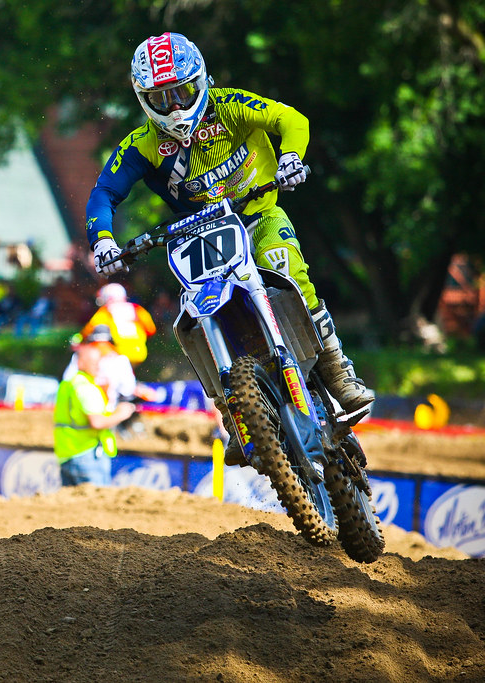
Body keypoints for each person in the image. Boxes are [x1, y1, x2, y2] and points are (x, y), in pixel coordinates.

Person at [86, 32, 375, 464]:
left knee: (287, 269)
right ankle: (233, 414)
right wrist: (104, 240)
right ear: (144, 100)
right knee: (191, 317)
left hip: (259, 214)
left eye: (183, 92)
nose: (176, 107)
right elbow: (104, 193)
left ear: (202, 81)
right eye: (162, 99)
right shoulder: (142, 144)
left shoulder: (231, 105)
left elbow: (290, 119)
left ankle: (337, 373)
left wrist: (290, 157)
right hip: (200, 236)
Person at [54, 343, 136, 486]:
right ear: (80, 363)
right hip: (87, 456)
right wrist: (122, 414)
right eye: (94, 362)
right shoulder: (85, 387)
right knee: (97, 499)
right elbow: (97, 422)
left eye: (99, 362)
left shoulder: (67, 384)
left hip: (67, 454)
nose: (98, 366)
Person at [81, 283, 156, 366]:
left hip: (118, 353)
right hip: (139, 352)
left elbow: (89, 330)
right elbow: (151, 329)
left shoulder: (106, 311)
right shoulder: (137, 309)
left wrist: (80, 339)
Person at [62, 325, 137, 405]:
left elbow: (128, 389)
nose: (101, 347)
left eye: (104, 344)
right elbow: (67, 379)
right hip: (84, 404)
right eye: (96, 344)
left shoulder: (120, 360)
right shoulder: (81, 357)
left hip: (110, 408)